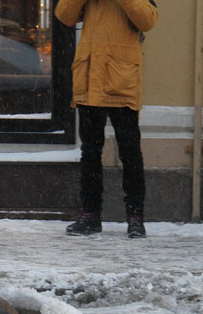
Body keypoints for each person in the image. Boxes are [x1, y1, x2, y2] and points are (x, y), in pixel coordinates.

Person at [55, 0, 157, 238]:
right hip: (90, 79)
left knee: (130, 153)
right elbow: (64, 15)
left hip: (121, 81)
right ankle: (90, 215)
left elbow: (148, 20)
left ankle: (135, 217)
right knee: (90, 153)